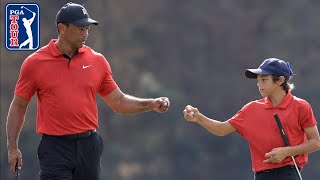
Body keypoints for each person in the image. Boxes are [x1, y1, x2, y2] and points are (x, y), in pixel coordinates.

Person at [7, 2, 170, 180]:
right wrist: (12, 147)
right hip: (55, 148)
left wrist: (151, 103)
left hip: (89, 146)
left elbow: (119, 101)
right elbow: (19, 106)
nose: (85, 34)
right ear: (62, 28)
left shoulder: (97, 61)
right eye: (80, 29)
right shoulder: (35, 63)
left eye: (87, 29)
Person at [183, 58, 320, 180]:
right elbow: (222, 129)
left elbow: (315, 142)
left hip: (289, 174)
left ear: (280, 80)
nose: (259, 84)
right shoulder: (251, 109)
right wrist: (199, 117)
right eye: (258, 80)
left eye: (264, 79)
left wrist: (287, 152)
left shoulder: (301, 106)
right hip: (261, 176)